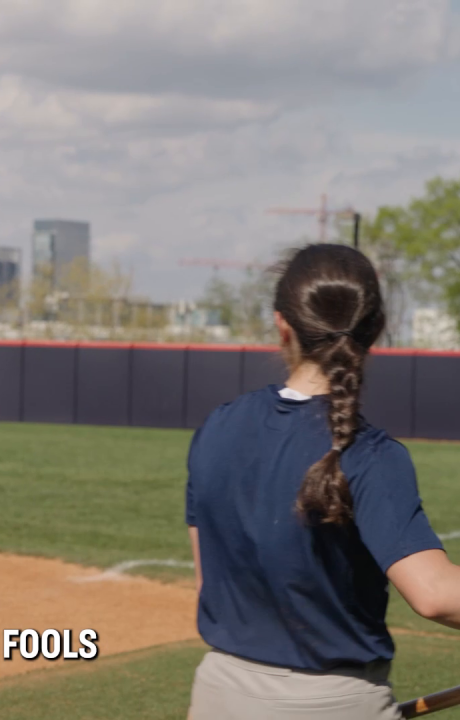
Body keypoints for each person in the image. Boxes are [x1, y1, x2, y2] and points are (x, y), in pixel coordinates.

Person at [186, 243, 460, 719]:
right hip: (334, 702)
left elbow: (207, 581)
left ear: (282, 324)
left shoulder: (217, 427)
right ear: (378, 328)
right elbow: (435, 595)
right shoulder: (371, 455)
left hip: (218, 695)